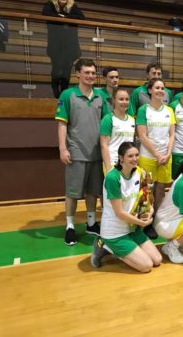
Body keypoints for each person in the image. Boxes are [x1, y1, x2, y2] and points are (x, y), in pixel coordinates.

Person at [55, 58, 109, 245]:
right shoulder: (67, 95)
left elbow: (107, 124)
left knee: (93, 191)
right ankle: (70, 226)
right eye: (87, 72)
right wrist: (62, 148)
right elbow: (62, 124)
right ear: (78, 73)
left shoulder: (101, 96)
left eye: (93, 73)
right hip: (76, 152)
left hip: (96, 153)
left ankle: (91, 223)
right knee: (72, 192)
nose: (90, 76)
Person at [91, 142, 162, 271]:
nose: (134, 159)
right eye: (130, 156)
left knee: (157, 260)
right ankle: (104, 245)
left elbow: (146, 199)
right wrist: (141, 222)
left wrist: (150, 212)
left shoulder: (140, 172)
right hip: (115, 232)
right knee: (146, 266)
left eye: (136, 155)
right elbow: (119, 213)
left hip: (132, 228)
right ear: (121, 158)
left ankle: (128, 246)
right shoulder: (113, 177)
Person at [136, 78, 175, 217]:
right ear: (150, 90)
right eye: (157, 88)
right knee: (147, 190)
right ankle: (146, 220)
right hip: (148, 157)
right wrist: (157, 155)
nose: (160, 91)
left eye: (162, 88)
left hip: (166, 157)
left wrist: (168, 154)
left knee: (160, 189)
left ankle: (157, 217)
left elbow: (171, 135)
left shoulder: (169, 111)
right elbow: (142, 136)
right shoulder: (143, 110)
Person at [42, 0, 84, 99]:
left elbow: (82, 17)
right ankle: (56, 93)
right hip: (55, 44)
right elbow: (45, 14)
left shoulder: (73, 5)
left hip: (70, 44)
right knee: (56, 68)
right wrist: (62, 17)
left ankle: (63, 94)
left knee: (67, 69)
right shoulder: (50, 4)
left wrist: (63, 17)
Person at [100, 88, 135, 173]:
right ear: (114, 100)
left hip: (129, 164)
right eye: (121, 99)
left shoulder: (132, 119)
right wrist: (108, 168)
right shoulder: (108, 119)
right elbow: (104, 145)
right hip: (113, 163)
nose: (124, 102)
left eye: (127, 99)